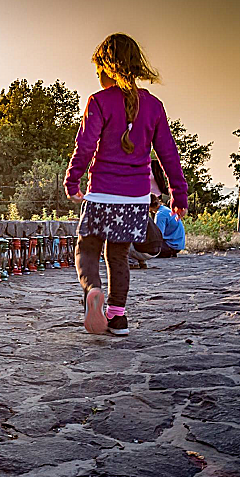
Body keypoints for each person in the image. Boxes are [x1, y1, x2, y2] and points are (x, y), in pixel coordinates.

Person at [64, 33, 188, 336]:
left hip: (102, 193)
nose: (97, 77)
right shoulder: (154, 106)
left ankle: (93, 291)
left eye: (98, 71)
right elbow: (168, 154)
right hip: (134, 198)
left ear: (107, 68)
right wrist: (179, 195)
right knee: (117, 254)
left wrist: (73, 180)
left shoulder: (98, 101)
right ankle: (118, 317)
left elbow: (85, 146)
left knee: (88, 249)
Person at [129, 194, 163, 268]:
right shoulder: (145, 215)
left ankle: (131, 261)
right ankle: (142, 261)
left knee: (119, 238)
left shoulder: (129, 214)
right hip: (157, 251)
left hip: (142, 250)